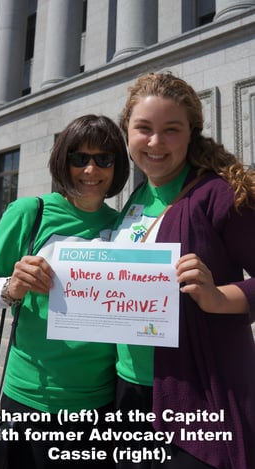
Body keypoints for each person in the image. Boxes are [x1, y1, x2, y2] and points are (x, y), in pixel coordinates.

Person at [111, 72, 255, 468]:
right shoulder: (136, 197)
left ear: (192, 133)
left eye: (171, 130)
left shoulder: (220, 194)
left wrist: (218, 296)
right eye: (144, 129)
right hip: (128, 390)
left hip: (197, 394)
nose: (156, 143)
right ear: (128, 132)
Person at [0, 114, 130, 469]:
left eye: (104, 159)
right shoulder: (31, 212)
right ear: (63, 161)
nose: (90, 170)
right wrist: (13, 285)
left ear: (117, 166)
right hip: (30, 396)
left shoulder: (122, 226)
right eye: (79, 158)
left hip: (98, 401)